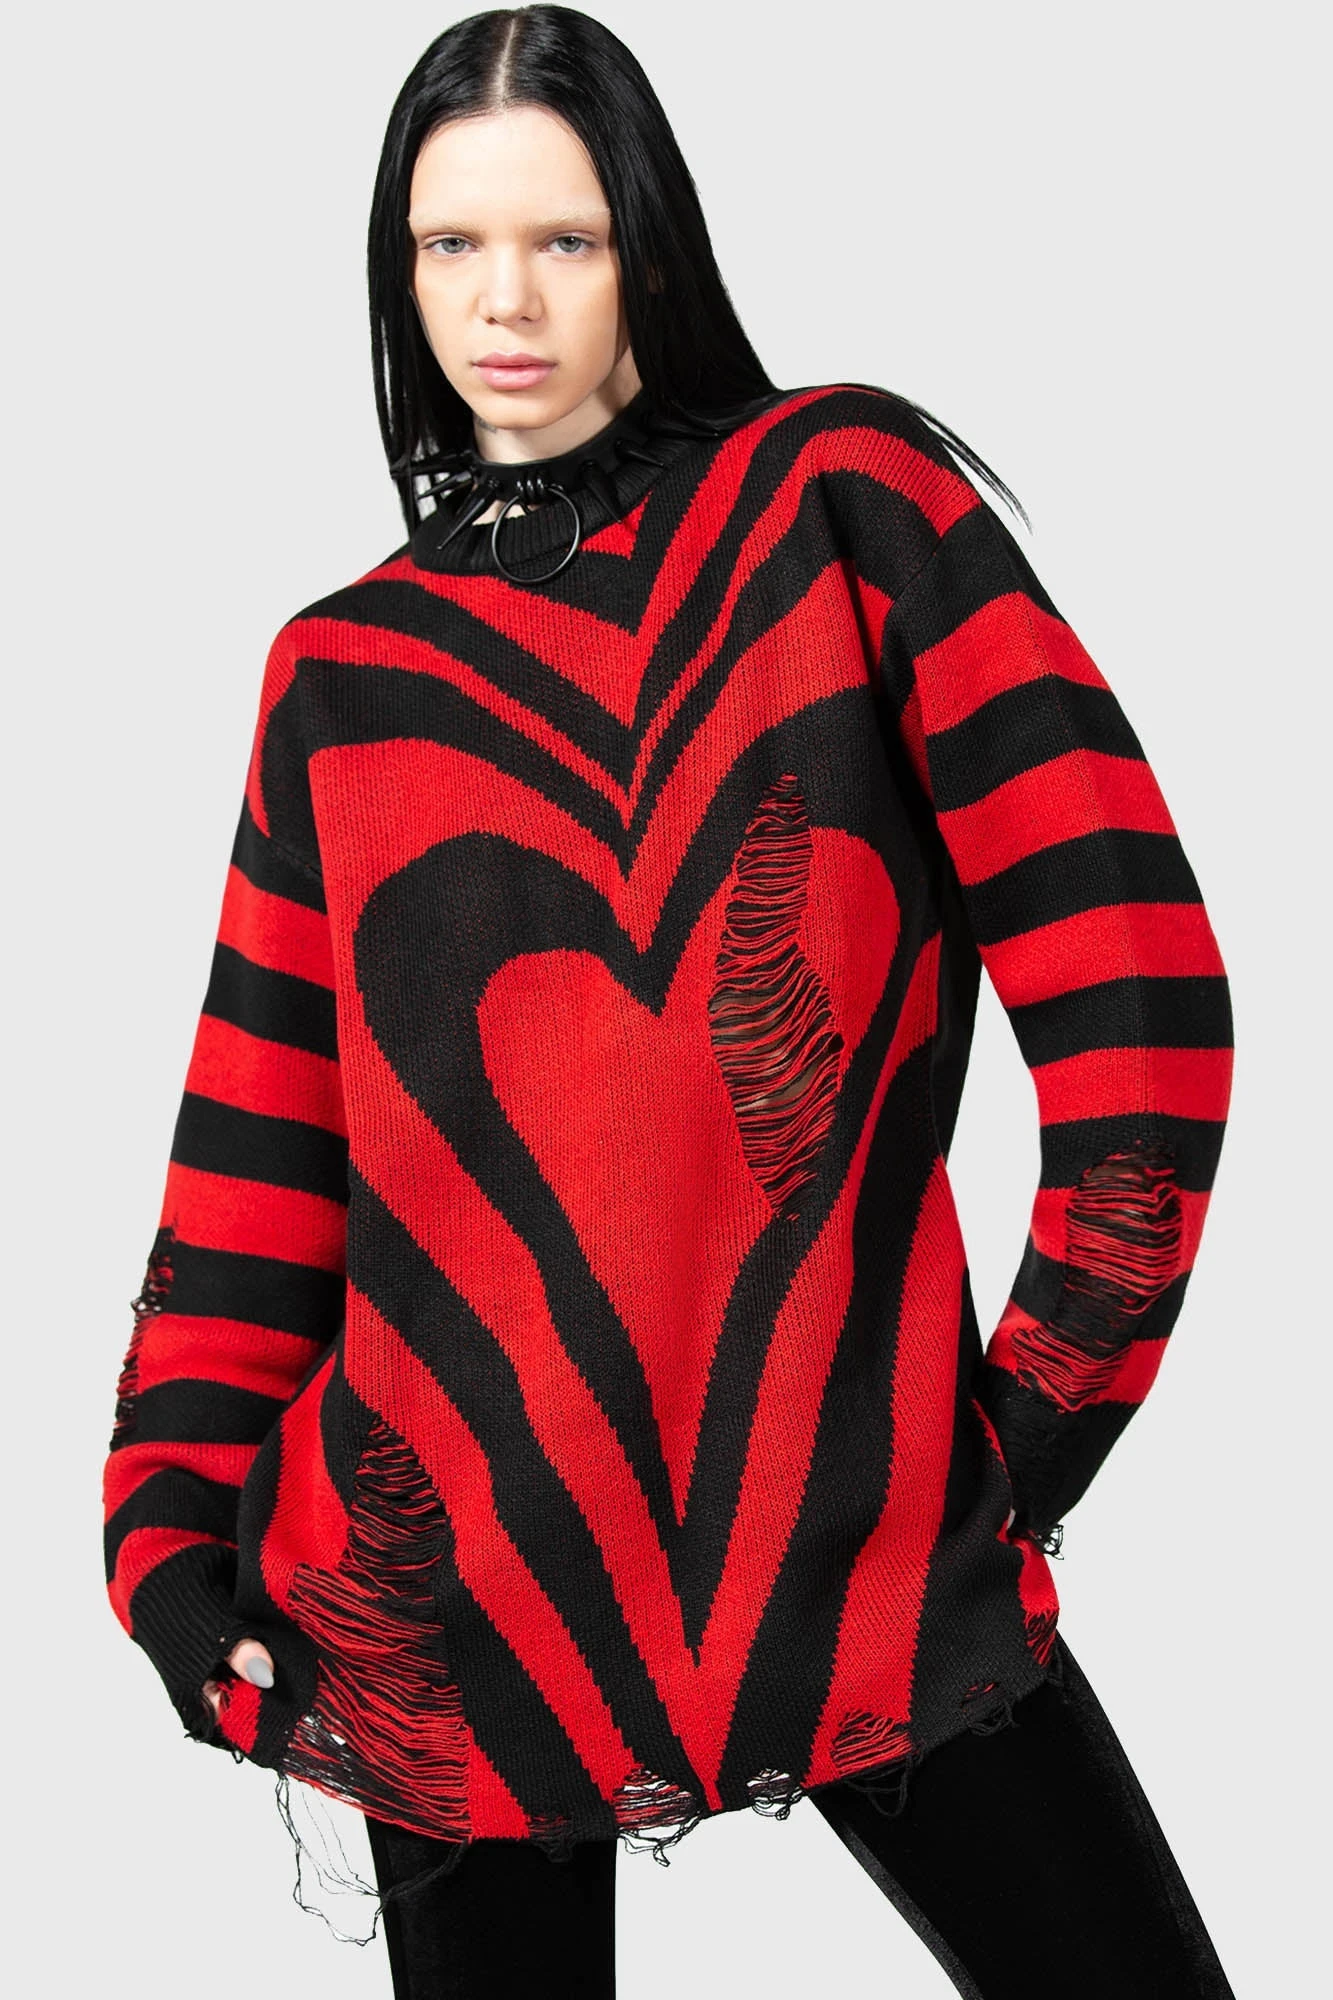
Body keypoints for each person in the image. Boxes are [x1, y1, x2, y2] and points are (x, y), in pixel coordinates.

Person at [101, 7, 1237, 1995]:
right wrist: (167, 1539)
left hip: (870, 1551)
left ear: (652, 243)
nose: (505, 300)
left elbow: (1138, 995)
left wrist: (1022, 1435)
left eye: (566, 238)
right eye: (451, 245)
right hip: (446, 1618)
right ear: (396, 274)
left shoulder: (839, 501)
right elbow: (261, 1175)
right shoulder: (339, 677)